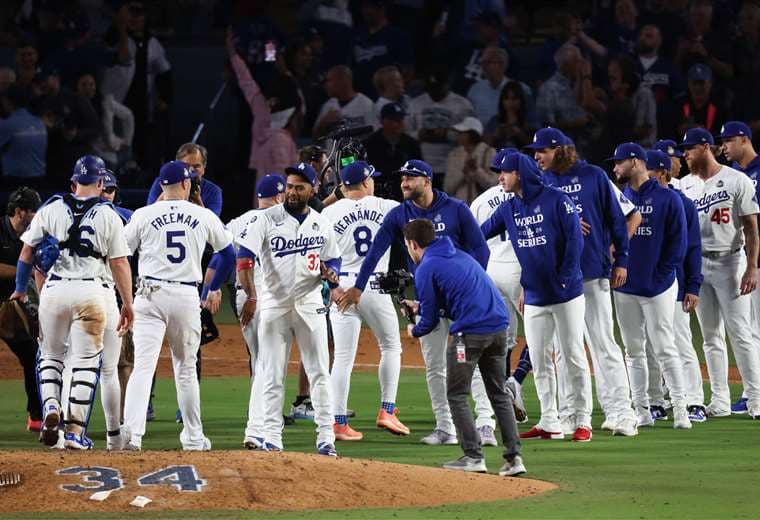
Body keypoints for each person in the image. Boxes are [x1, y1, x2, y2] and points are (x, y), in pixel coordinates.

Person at [337, 159, 500, 447]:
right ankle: (445, 427)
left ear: (427, 180)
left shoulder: (456, 209)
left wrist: (469, 287)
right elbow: (375, 252)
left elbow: (481, 250)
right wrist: (359, 288)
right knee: (435, 365)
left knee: (470, 362)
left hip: (462, 304)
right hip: (429, 300)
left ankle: (485, 423)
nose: (404, 183)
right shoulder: (400, 214)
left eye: (410, 178)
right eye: (402, 178)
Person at [11, 160, 134, 449]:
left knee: (51, 357)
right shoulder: (110, 215)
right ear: (101, 184)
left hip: (54, 291)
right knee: (87, 364)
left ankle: (52, 407)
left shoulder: (50, 208)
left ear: (72, 183)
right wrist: (128, 303)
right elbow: (118, 263)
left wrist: (19, 289)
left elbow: (27, 252)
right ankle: (76, 431)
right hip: (92, 292)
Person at [525, 127, 640, 435]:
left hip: (591, 272)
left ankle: (621, 412)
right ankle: (569, 414)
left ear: (561, 150)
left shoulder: (594, 176)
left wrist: (622, 260)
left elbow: (621, 218)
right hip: (558, 280)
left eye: (542, 151)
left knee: (603, 343)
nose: (536, 156)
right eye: (535, 151)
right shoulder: (540, 181)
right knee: (564, 349)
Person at [121, 160, 235, 450]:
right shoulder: (204, 215)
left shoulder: (143, 215)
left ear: (161, 185)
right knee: (185, 369)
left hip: (149, 294)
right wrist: (211, 287)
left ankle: (132, 436)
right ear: (187, 184)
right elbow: (228, 254)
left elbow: (120, 255)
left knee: (143, 368)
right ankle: (194, 438)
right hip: (186, 297)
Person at [481, 152, 593, 441]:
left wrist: (567, 277)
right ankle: (549, 420)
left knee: (572, 355)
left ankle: (583, 420)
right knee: (541, 361)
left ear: (519, 173)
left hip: (566, 294)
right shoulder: (510, 207)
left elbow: (574, 238)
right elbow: (481, 233)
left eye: (504, 172)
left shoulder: (556, 199)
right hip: (534, 295)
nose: (500, 178)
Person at [402, 218, 525, 475]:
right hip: (499, 329)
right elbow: (456, 298)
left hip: (469, 334)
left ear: (413, 243)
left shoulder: (427, 267)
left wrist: (415, 329)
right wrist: (420, 306)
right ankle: (514, 460)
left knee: (457, 394)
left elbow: (431, 321)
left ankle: (473, 457)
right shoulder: (460, 256)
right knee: (499, 393)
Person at [236, 162, 341, 455]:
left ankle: (325, 438)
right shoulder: (265, 219)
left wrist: (331, 275)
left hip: (310, 305)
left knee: (319, 371)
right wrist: (252, 295)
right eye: (290, 186)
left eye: (299, 187)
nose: (292, 192)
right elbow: (244, 259)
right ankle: (271, 436)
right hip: (274, 305)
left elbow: (333, 259)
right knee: (271, 373)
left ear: (312, 189)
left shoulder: (322, 222)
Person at [678, 127, 760, 419]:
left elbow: (751, 228)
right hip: (699, 264)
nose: (685, 154)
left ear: (705, 147)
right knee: (711, 336)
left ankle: (756, 400)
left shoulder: (737, 180)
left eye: (689, 148)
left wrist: (752, 267)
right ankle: (720, 401)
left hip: (731, 261)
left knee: (740, 333)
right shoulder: (684, 185)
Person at [322, 161, 407, 441]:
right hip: (374, 284)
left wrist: (331, 286)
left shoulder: (329, 211)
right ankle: (387, 411)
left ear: (343, 186)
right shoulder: (387, 206)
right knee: (391, 346)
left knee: (343, 359)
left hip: (342, 285)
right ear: (367, 182)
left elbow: (318, 254)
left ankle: (338, 423)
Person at [609, 143, 690, 430]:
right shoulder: (619, 197)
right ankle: (642, 409)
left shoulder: (668, 198)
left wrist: (661, 275)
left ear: (635, 161)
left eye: (619, 163)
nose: (615, 168)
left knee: (665, 347)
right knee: (634, 351)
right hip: (626, 285)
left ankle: (680, 408)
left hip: (659, 285)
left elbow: (678, 244)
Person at [222, 174, 287, 446]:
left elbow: (222, 252)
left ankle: (258, 419)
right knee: (269, 363)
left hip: (243, 297)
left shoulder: (238, 222)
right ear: (280, 196)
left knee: (258, 360)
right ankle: (259, 427)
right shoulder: (282, 221)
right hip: (266, 299)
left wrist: (212, 288)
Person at [645, 149, 706, 423]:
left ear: (661, 173)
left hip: (675, 284)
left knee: (679, 343)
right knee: (649, 345)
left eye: (648, 169)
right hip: (645, 287)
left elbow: (693, 247)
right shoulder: (634, 201)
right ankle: (655, 400)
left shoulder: (682, 203)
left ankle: (694, 401)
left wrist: (693, 285)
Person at [469, 148, 528, 422]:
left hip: (492, 272)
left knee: (502, 341)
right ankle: (516, 382)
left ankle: (501, 396)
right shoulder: (526, 197)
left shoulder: (481, 201)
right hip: (521, 271)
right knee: (546, 338)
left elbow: (475, 242)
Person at [717, 121, 760, 415]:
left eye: (729, 141)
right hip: (745, 259)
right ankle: (750, 392)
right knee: (751, 328)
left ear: (744, 140)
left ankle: (751, 393)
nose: (724, 147)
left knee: (753, 328)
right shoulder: (734, 176)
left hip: (754, 260)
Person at [101, 0, 172, 171]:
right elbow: (113, 48)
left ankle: (138, 172)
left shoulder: (152, 42)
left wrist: (164, 97)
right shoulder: (115, 36)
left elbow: (165, 73)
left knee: (140, 138)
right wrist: (120, 25)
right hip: (116, 100)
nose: (133, 18)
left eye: (138, 14)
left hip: (141, 101)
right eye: (130, 13)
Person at [226, 29, 298, 196]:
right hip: (278, 191)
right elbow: (250, 80)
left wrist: (232, 53)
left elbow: (247, 81)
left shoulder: (262, 107)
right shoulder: (272, 113)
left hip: (262, 178)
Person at [0, 187, 42, 432]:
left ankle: (36, 416)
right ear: (19, 211)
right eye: (33, 210)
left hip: (14, 307)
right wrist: (23, 270)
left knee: (33, 357)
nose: (37, 215)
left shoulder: (33, 234)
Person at [407, 65, 474, 189]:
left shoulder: (463, 105)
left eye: (438, 88)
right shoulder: (415, 104)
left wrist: (446, 134)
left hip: (452, 167)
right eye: (431, 88)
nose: (434, 92)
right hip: (422, 165)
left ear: (447, 85)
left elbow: (470, 138)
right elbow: (406, 134)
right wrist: (420, 134)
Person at [351, 0, 413, 98]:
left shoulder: (397, 36)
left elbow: (408, 70)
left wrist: (395, 94)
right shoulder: (357, 36)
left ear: (382, 9)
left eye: (369, 8)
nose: (365, 11)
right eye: (364, 8)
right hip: (360, 99)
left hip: (385, 98)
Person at [364, 103, 422, 201]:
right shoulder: (369, 144)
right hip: (377, 195)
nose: (399, 123)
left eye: (401, 119)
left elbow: (420, 171)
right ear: (382, 121)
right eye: (394, 120)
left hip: (406, 195)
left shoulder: (411, 144)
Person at [466, 46, 534, 129]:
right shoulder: (475, 89)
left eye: (488, 63)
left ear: (502, 65)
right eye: (483, 63)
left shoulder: (522, 89)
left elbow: (530, 121)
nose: (484, 67)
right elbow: (469, 118)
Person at [76, 72, 134, 168]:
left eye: (91, 84)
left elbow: (128, 116)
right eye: (84, 84)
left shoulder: (105, 102)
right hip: (83, 155)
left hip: (106, 154)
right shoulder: (73, 104)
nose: (88, 88)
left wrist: (127, 141)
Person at [148, 143, 223, 216]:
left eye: (196, 166)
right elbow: (148, 216)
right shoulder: (161, 182)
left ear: (204, 169)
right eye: (186, 166)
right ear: (176, 166)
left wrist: (198, 200)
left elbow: (213, 225)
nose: (191, 170)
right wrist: (167, 190)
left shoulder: (213, 191)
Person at [0, 85, 47, 182]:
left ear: (7, 101)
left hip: (14, 182)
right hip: (40, 180)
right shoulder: (39, 122)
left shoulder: (7, 124)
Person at [444, 116, 496, 204]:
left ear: (473, 134)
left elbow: (493, 184)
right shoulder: (454, 154)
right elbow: (447, 188)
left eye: (462, 133)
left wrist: (477, 171)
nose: (458, 136)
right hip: (460, 207)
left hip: (483, 207)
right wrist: (463, 174)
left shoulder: (489, 152)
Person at [313, 66, 374, 139]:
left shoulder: (366, 104)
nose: (326, 85)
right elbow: (315, 138)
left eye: (329, 81)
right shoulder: (328, 105)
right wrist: (323, 124)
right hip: (332, 150)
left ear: (343, 80)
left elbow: (375, 134)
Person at [676, 64, 727, 136]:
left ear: (710, 84)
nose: (698, 88)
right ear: (688, 84)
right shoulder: (678, 105)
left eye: (701, 83)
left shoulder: (720, 108)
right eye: (694, 83)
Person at [485, 81, 534, 151]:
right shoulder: (495, 121)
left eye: (514, 99)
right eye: (507, 98)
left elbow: (538, 147)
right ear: (502, 101)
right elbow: (485, 147)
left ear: (521, 100)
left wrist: (519, 134)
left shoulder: (529, 121)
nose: (510, 102)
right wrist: (496, 136)